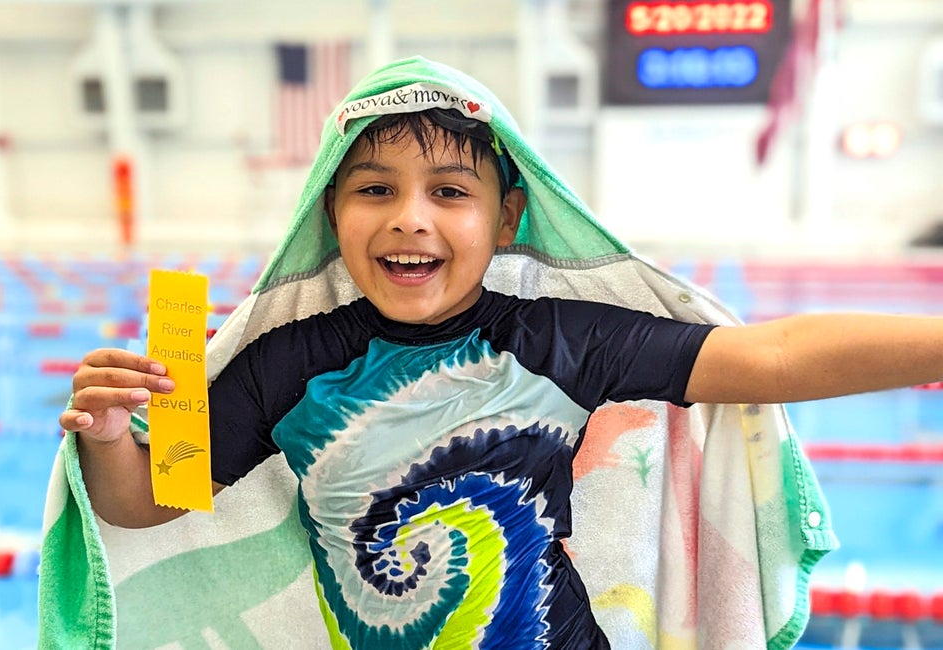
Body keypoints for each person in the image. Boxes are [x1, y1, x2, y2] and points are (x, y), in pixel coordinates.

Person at [57, 57, 943, 649]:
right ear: (334, 216)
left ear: (507, 219)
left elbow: (778, 357)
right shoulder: (283, 364)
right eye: (375, 190)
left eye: (450, 191)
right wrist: (105, 437)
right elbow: (148, 502)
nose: (411, 217)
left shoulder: (558, 339)